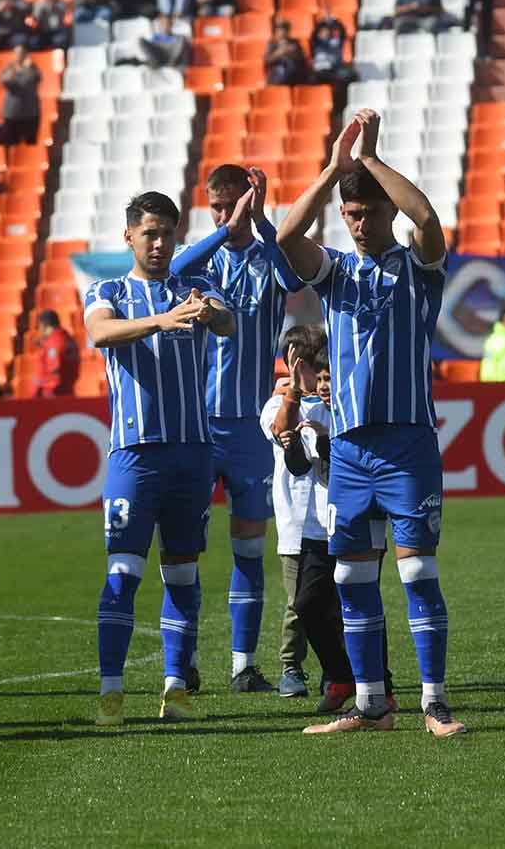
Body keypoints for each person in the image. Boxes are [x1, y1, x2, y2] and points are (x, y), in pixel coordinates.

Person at [276, 109, 467, 737]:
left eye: (369, 213)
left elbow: (430, 221)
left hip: (408, 444)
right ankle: (370, 703)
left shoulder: (419, 268)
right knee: (353, 580)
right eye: (352, 215)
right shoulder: (336, 273)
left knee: (417, 574)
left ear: (388, 213)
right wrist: (335, 169)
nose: (359, 224)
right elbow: (284, 237)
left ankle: (434, 701)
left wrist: (373, 160)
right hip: (350, 450)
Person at [86, 191, 236, 726]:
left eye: (167, 233)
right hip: (134, 457)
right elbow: (100, 332)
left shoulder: (193, 289)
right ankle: (111, 691)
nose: (158, 243)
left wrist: (210, 309)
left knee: (182, 575)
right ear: (128, 236)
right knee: (123, 574)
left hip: (192, 454)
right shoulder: (109, 291)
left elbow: (226, 324)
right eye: (149, 233)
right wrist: (161, 321)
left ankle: (176, 687)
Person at [169, 165, 302, 694]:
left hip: (250, 430)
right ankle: (186, 662)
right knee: (186, 551)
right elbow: (173, 268)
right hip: (199, 429)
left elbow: (294, 280)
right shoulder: (204, 262)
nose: (229, 215)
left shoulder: (268, 257)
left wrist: (263, 221)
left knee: (249, 549)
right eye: (218, 207)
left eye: (234, 205)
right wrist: (225, 230)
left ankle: (243, 665)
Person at [267, 337, 399, 714]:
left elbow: (356, 465)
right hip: (320, 527)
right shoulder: (312, 411)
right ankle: (340, 676)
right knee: (307, 605)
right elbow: (300, 467)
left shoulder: (358, 411)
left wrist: (325, 444)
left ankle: (382, 687)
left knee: (360, 602)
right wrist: (294, 444)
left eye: (330, 377)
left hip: (361, 521)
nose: (325, 385)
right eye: (321, 378)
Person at [260, 325, 325, 700]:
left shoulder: (337, 400)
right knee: (298, 602)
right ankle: (291, 665)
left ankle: (337, 669)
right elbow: (279, 431)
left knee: (336, 599)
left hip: (333, 518)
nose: (317, 375)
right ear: (292, 364)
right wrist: (294, 395)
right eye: (309, 366)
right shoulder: (277, 403)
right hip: (296, 522)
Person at [32, 310, 80, 397]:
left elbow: (54, 368)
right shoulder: (67, 338)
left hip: (54, 394)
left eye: (38, 327)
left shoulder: (54, 342)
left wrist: (39, 388)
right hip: (67, 391)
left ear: (43, 325)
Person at [0, 46, 42, 146]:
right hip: (12, 114)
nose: (19, 56)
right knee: (12, 144)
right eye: (17, 54)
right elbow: (5, 81)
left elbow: (37, 78)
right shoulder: (9, 68)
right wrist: (15, 68)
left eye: (21, 54)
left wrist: (28, 68)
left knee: (31, 143)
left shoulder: (32, 68)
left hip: (31, 113)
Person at [310, 11, 355, 85]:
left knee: (348, 75)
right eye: (322, 31)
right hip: (320, 72)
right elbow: (314, 34)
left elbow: (343, 32)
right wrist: (323, 22)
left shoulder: (336, 43)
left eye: (326, 31)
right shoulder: (316, 44)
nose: (324, 33)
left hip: (334, 70)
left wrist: (334, 21)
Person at [265, 20, 309, 86]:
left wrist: (293, 53)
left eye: (284, 30)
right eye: (280, 30)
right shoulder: (272, 44)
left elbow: (302, 58)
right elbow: (267, 60)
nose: (283, 33)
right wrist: (279, 53)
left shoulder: (295, 43)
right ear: (276, 32)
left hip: (295, 74)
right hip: (278, 76)